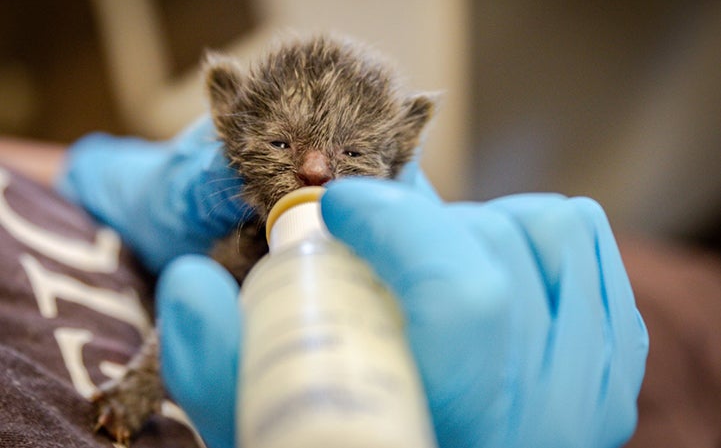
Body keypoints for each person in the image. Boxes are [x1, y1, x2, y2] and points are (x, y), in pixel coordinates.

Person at [56, 116, 649, 448]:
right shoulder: (212, 220)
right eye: (282, 143)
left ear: (402, 148)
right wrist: (99, 172)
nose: (313, 168)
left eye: (353, 150)